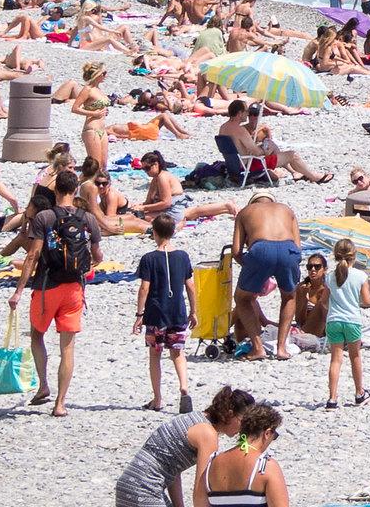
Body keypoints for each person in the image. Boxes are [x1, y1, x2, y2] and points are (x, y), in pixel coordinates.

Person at [9, 168, 102, 416]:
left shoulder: (44, 218)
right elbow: (98, 256)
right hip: (74, 288)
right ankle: (60, 404)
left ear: (56, 189)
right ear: (75, 190)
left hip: (46, 286)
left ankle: (43, 385)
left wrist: (19, 290)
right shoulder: (88, 218)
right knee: (68, 348)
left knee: (37, 335)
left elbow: (33, 255)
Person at [113, 386, 255, 507]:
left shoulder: (193, 418)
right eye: (243, 421)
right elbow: (201, 487)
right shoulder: (208, 434)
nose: (244, 429)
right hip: (144, 488)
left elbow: (173, 468)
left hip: (129, 484)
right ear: (230, 414)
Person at [134, 214, 197, 413]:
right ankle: (184, 387)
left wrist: (139, 314)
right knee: (178, 353)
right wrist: (194, 311)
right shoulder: (183, 256)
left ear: (155, 232)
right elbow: (191, 286)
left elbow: (144, 288)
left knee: (155, 354)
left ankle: (158, 398)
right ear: (172, 232)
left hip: (156, 313)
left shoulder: (149, 259)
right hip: (178, 312)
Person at [231, 190, 302, 361]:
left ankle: (258, 348)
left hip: (261, 250)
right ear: (272, 202)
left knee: (242, 298)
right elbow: (298, 247)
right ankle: (281, 348)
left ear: (252, 203)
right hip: (288, 250)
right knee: (289, 296)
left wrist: (253, 269)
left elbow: (236, 251)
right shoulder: (286, 210)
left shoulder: (245, 212)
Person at [325, 238, 370, 409]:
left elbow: (324, 301)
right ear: (355, 255)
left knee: (335, 360)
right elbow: (367, 300)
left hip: (333, 320)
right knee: (355, 357)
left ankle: (332, 397)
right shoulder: (360, 276)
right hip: (352, 320)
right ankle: (359, 393)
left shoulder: (329, 276)